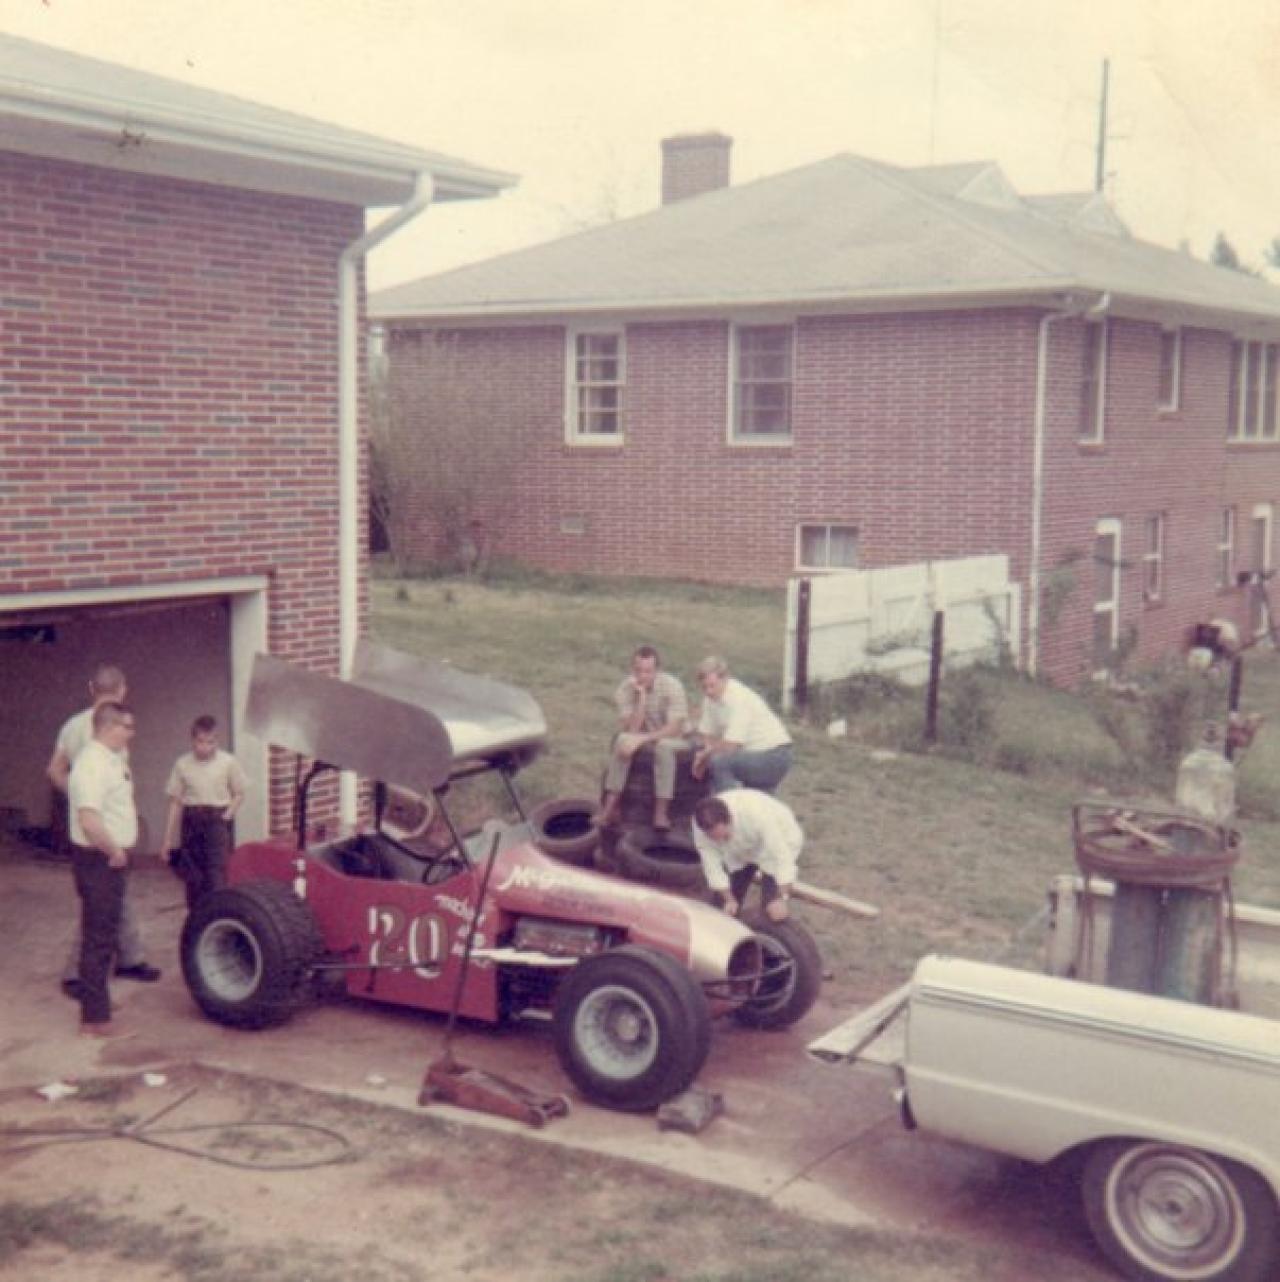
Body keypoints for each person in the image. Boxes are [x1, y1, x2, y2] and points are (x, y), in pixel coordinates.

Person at [46, 664, 160, 998]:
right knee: (98, 906)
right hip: (99, 831)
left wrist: (79, 798)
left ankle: (130, 958)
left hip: (100, 822)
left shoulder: (72, 726)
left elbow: (54, 771)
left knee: (116, 896)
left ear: (90, 688)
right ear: (122, 689)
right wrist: (88, 803)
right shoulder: (110, 726)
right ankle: (77, 975)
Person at [67, 701, 140, 1038]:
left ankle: (98, 1004)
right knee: (98, 938)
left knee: (105, 934)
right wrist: (115, 851)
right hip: (100, 859)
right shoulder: (91, 764)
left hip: (108, 858)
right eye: (127, 727)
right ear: (108, 727)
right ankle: (94, 1020)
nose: (132, 733)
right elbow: (89, 819)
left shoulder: (112, 758)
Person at [598, 646, 691, 831]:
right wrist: (641, 697)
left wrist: (641, 739)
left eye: (648, 671)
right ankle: (610, 807)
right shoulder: (625, 689)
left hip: (677, 739)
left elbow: (674, 729)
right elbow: (631, 729)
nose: (642, 676)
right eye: (638, 670)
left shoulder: (672, 686)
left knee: (663, 747)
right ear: (632, 669)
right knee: (622, 740)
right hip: (645, 737)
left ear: (657, 670)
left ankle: (660, 813)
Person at [160, 715, 246, 910]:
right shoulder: (182, 764)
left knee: (216, 875)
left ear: (217, 741)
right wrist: (167, 839)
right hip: (192, 820)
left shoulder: (228, 762)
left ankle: (217, 917)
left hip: (217, 820)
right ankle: (196, 918)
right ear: (192, 740)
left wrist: (227, 815)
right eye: (200, 741)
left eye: (211, 742)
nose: (205, 747)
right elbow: (175, 802)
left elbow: (240, 793)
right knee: (193, 876)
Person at [691, 790, 802, 923]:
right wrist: (729, 900)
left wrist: (782, 897)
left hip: (779, 841)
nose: (718, 841)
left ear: (729, 820)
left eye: (723, 836)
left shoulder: (757, 815)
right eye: (713, 838)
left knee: (773, 912)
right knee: (721, 907)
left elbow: (783, 858)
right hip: (741, 850)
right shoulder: (700, 829)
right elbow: (712, 867)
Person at [691, 656, 793, 793]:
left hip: (774, 755)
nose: (709, 691)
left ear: (725, 679)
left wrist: (705, 756)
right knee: (698, 749)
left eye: (712, 685)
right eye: (704, 687)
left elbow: (731, 746)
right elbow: (706, 734)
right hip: (752, 754)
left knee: (720, 762)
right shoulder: (710, 699)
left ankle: (728, 805)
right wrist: (706, 751)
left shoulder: (739, 697)